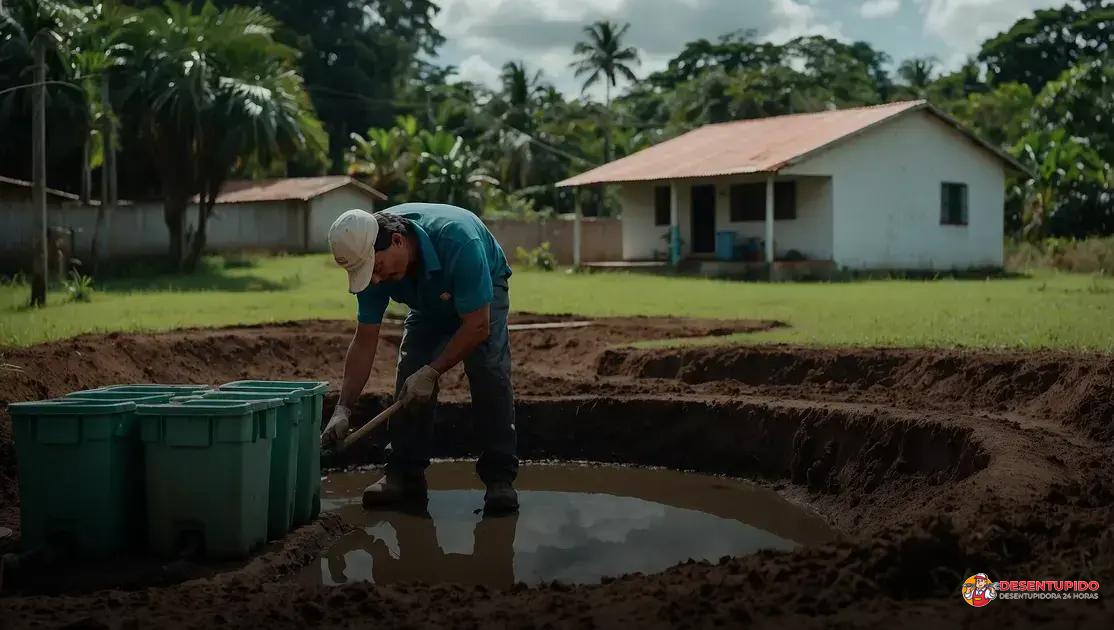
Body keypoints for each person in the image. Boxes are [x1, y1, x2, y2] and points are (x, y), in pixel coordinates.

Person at [320, 205, 518, 514]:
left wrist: (434, 371)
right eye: (368, 273)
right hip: (427, 303)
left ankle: (500, 479)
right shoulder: (371, 265)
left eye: (378, 268)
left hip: (482, 289)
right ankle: (404, 474)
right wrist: (342, 408)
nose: (375, 279)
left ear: (397, 240)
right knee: (410, 371)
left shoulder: (459, 241)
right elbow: (365, 340)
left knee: (488, 370)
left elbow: (478, 326)